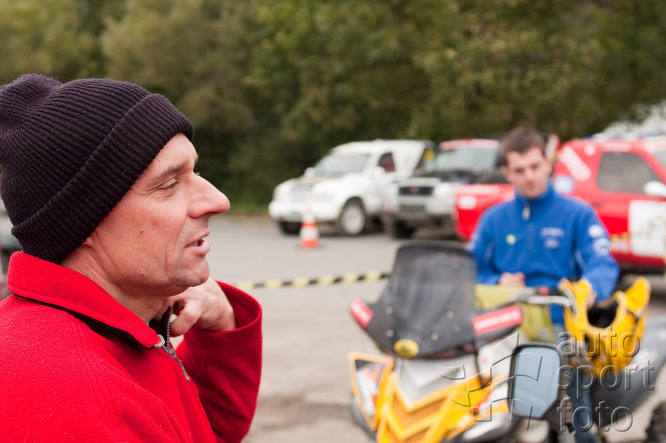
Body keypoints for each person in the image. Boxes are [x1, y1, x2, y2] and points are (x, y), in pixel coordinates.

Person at [0, 74, 262, 442]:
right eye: (170, 183)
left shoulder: (118, 325)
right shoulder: (75, 400)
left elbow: (203, 430)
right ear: (85, 221)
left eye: (195, 171)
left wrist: (220, 330)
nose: (218, 200)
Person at [470, 127, 619, 443]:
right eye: (519, 170)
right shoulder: (493, 219)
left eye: (535, 166)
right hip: (504, 331)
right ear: (507, 173)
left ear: (548, 163)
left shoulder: (577, 213)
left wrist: (590, 288)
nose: (529, 176)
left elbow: (602, 262)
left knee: (575, 416)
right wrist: (497, 280)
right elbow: (471, 269)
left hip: (562, 328)